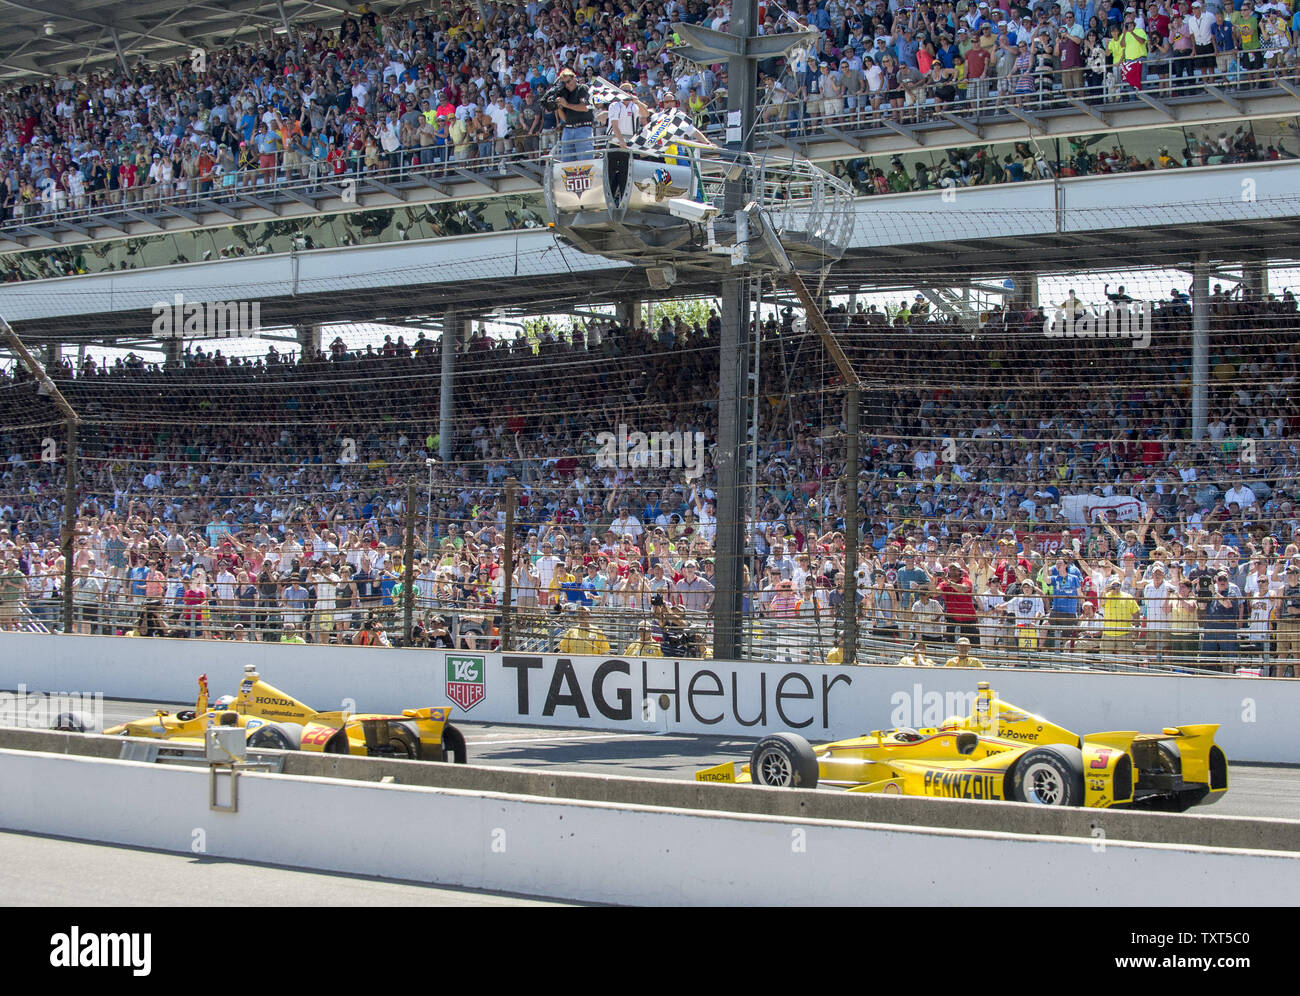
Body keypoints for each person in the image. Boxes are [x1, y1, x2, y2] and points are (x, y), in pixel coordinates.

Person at [548, 68, 595, 162]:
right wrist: (558, 107)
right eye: (564, 83)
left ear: (575, 78)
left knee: (585, 162)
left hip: (583, 128)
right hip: (568, 129)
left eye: (568, 81)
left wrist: (567, 105)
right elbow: (565, 119)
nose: (567, 85)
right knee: (566, 163)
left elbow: (585, 107)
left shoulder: (583, 88)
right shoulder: (565, 94)